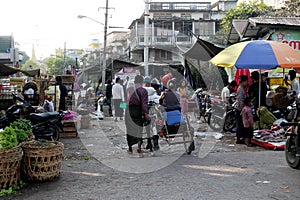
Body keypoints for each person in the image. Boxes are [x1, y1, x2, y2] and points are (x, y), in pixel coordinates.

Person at [125, 75, 149, 157]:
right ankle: (139, 148)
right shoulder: (143, 91)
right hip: (137, 111)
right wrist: (146, 113)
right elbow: (144, 104)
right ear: (142, 82)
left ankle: (130, 148)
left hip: (128, 110)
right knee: (139, 128)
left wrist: (121, 111)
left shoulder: (128, 89)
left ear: (135, 81)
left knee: (129, 129)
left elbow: (125, 102)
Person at [235, 75, 248, 144]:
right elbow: (240, 101)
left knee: (240, 124)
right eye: (246, 81)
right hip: (239, 109)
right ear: (243, 82)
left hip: (240, 109)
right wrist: (242, 110)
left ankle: (240, 138)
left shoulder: (241, 89)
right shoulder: (240, 89)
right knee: (240, 124)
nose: (247, 83)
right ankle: (239, 139)